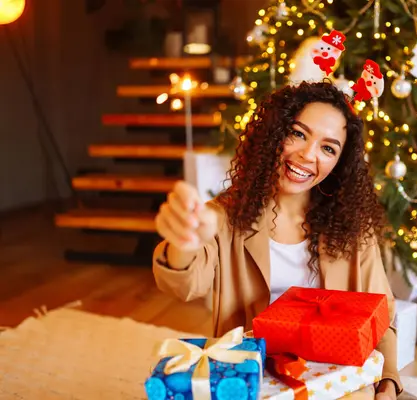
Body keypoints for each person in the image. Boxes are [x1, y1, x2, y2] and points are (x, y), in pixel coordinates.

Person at [152, 81, 402, 399]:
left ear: (340, 163)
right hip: (253, 374)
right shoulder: (224, 215)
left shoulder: (353, 226)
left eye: (328, 148)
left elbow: (382, 313)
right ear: (274, 133)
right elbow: (185, 284)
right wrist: (183, 243)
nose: (307, 155)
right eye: (297, 133)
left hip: (336, 373)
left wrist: (389, 381)